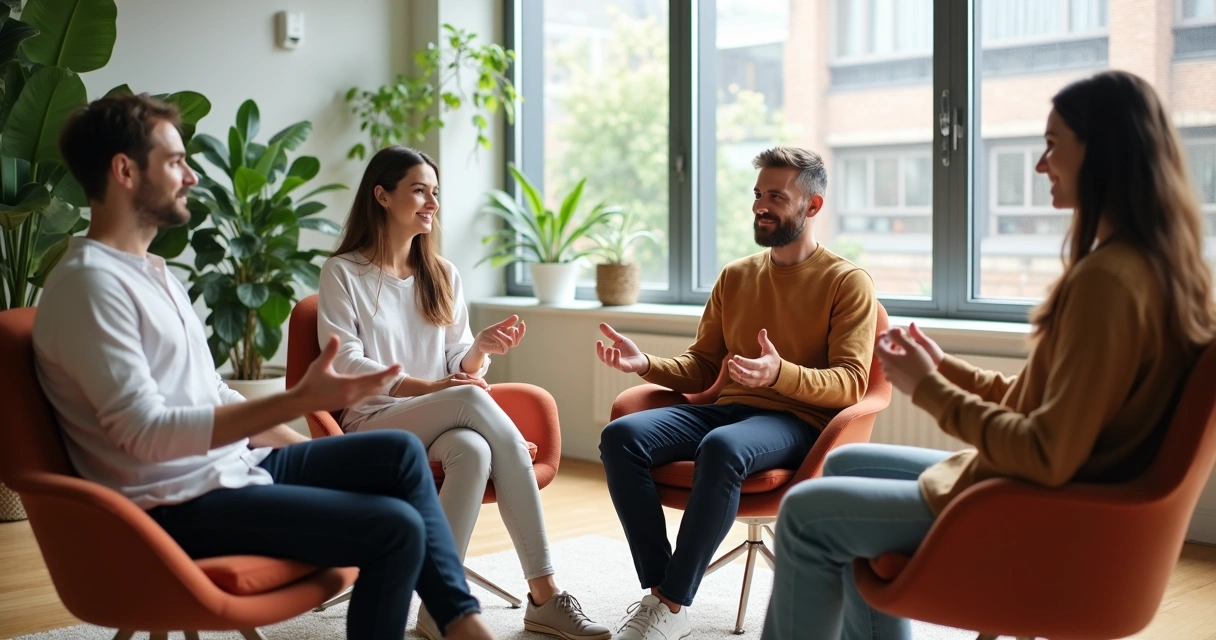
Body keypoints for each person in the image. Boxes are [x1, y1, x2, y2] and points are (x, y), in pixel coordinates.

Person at [760, 70, 1216, 640]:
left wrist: (929, 389)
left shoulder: (1109, 283)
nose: (1039, 165)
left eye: (1053, 146)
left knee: (806, 512)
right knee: (848, 464)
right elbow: (1042, 401)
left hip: (1037, 508)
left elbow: (1045, 451)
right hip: (1048, 492)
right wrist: (940, 365)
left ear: (1103, 154)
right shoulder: (1158, 270)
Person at [33, 95, 496, 640]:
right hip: (175, 506)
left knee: (392, 454)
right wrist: (296, 402)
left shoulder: (152, 274)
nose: (190, 177)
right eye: (176, 162)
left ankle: (462, 623)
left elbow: (215, 394)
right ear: (125, 170)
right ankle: (467, 630)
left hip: (231, 471)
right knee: (394, 528)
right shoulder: (92, 285)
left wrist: (318, 455)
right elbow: (144, 434)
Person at [317, 145, 610, 640]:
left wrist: (478, 350)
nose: (432, 202)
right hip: (374, 421)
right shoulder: (343, 272)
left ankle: (440, 608)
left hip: (444, 419)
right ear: (382, 195)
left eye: (435, 192)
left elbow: (457, 364)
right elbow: (345, 362)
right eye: (419, 191)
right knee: (476, 405)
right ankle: (546, 592)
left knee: (474, 450)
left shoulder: (443, 274)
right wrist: (434, 388)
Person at [595, 146, 879, 639]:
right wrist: (646, 364)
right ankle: (665, 592)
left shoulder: (846, 282)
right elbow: (704, 365)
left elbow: (851, 383)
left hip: (797, 420)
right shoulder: (736, 276)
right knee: (621, 437)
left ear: (811, 206)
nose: (759, 206)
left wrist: (779, 374)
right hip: (728, 409)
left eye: (775, 196)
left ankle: (671, 601)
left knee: (722, 448)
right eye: (756, 194)